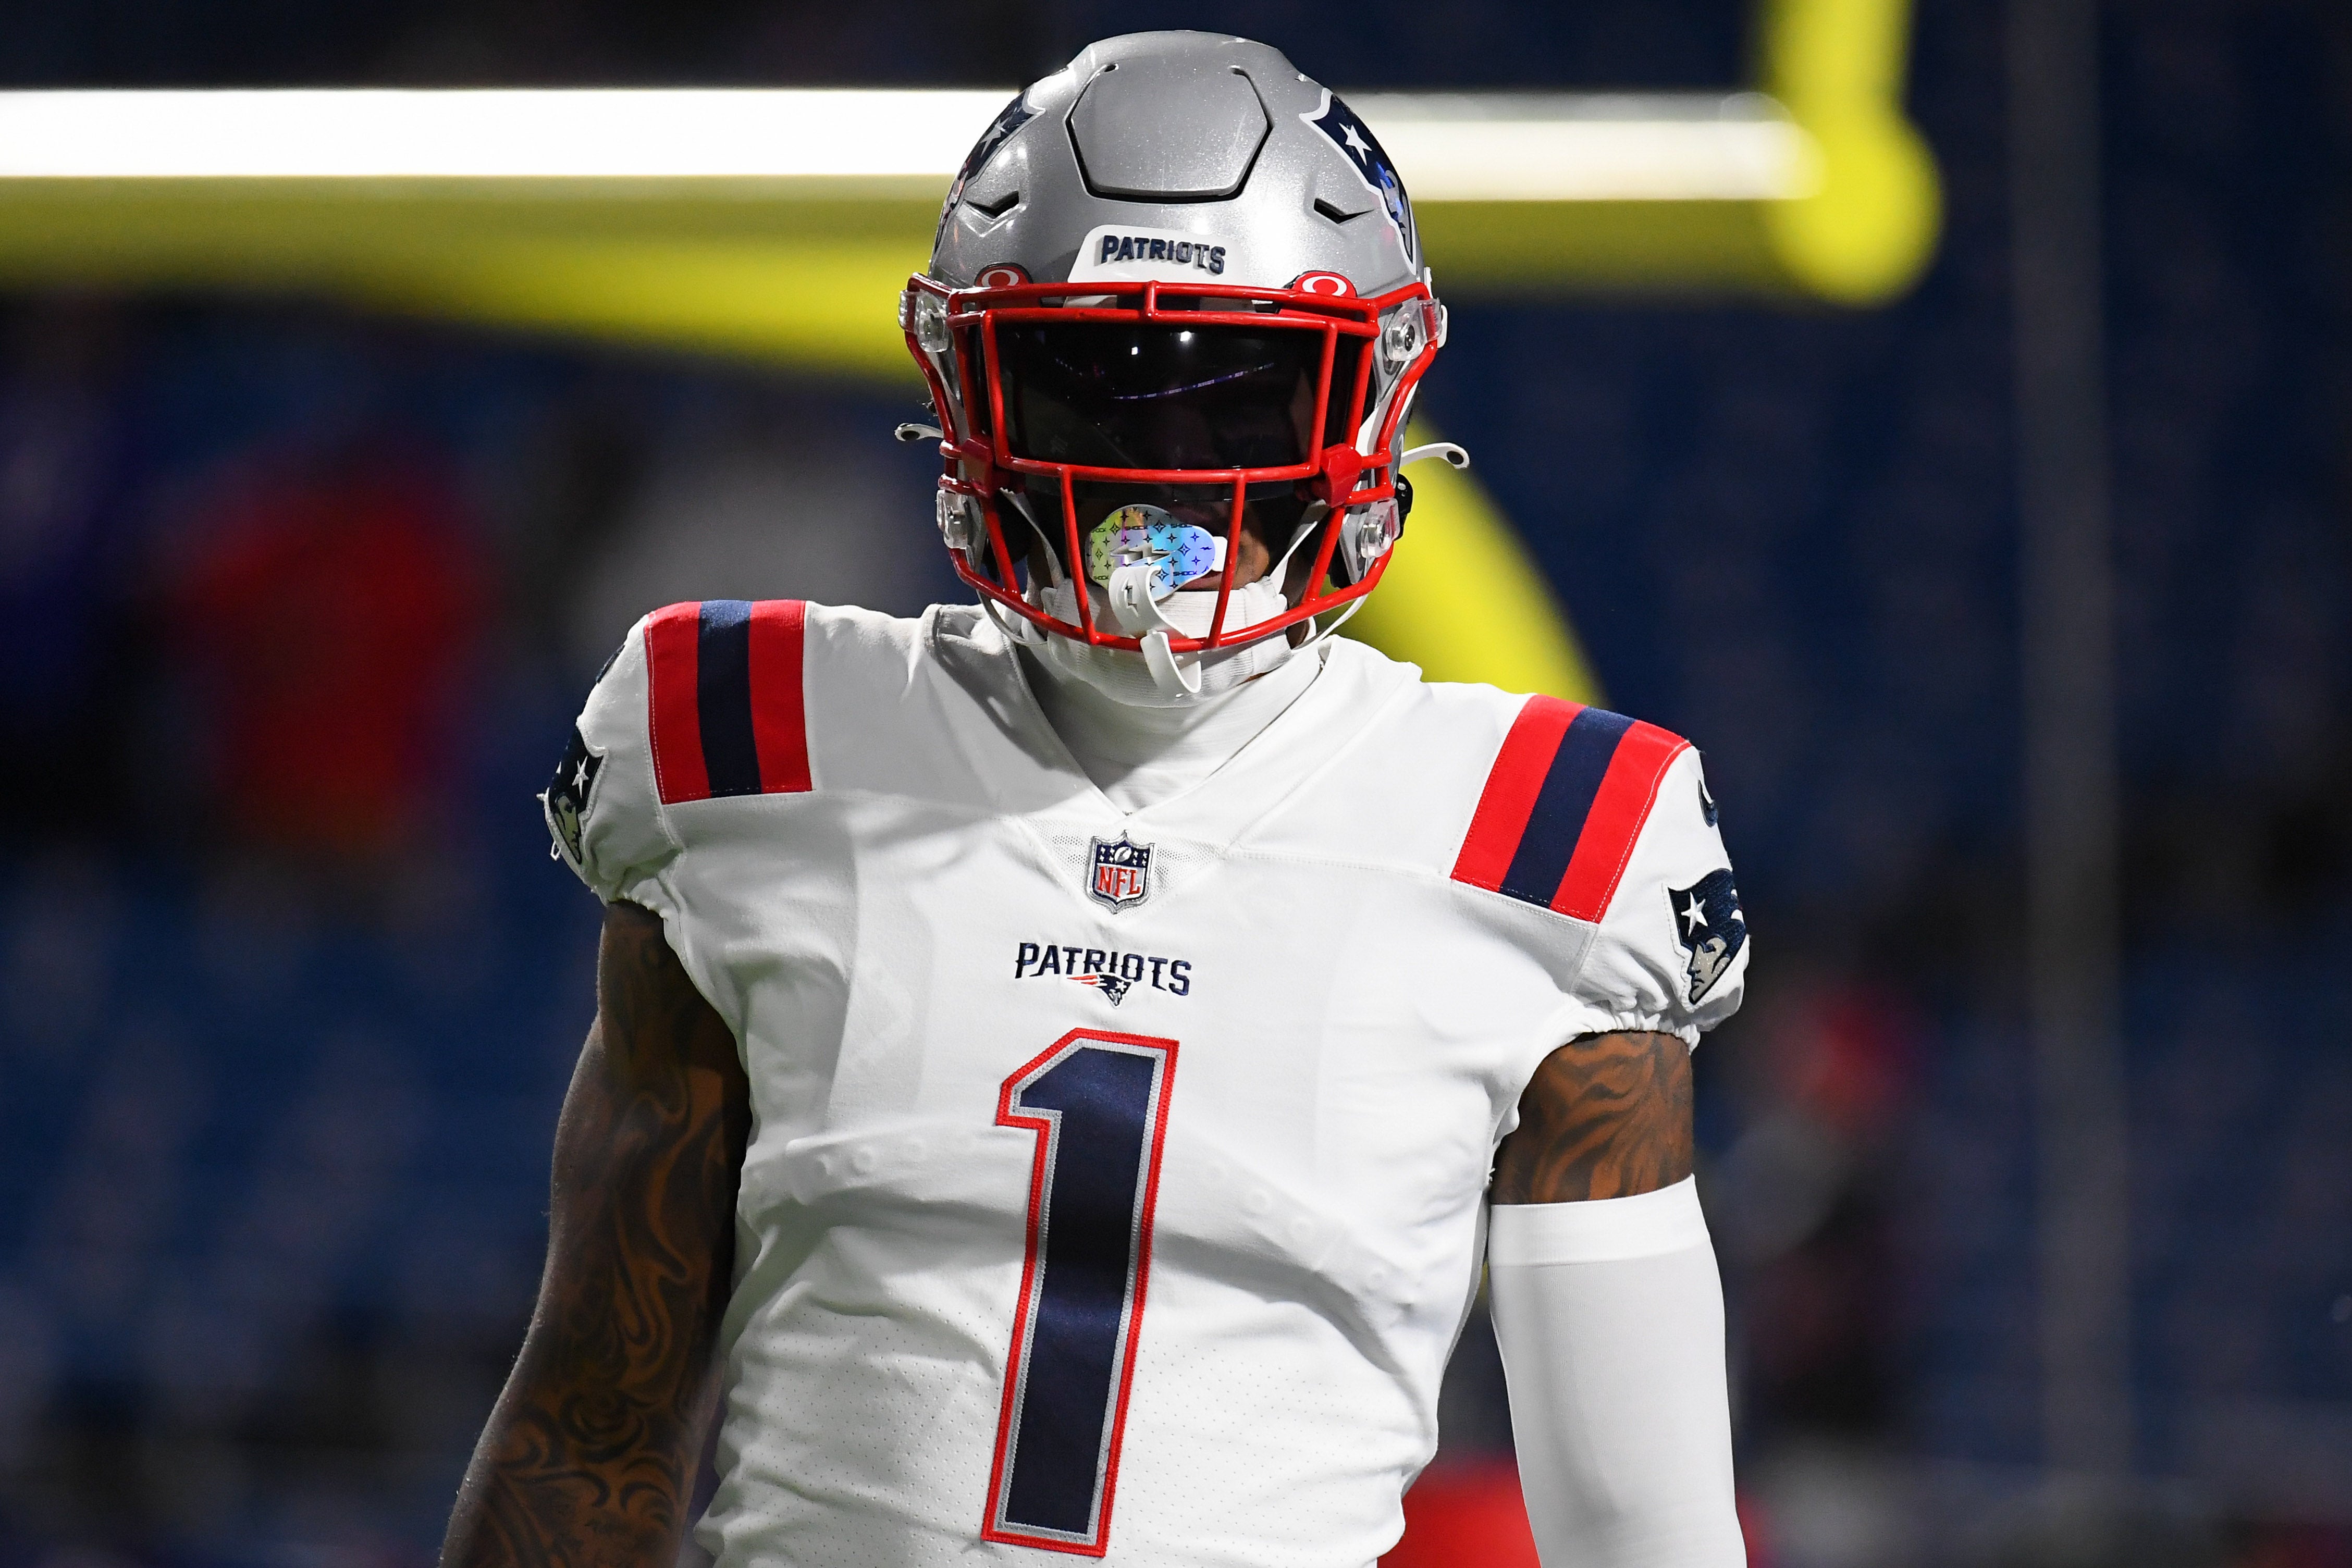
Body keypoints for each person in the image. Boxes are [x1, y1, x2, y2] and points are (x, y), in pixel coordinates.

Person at [442, 31, 1750, 1568]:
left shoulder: (1557, 837)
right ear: (966, 382)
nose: (1166, 473)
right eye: (1097, 387)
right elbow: (595, 1420)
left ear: (1375, 396)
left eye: (1244, 395)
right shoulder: (749, 743)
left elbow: (1640, 1528)